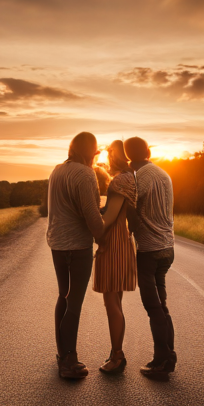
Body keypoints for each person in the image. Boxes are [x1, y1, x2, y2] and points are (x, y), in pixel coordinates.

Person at [47, 132, 104, 379]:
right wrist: (105, 239)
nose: (95, 157)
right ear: (89, 152)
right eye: (96, 152)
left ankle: (62, 354)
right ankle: (69, 360)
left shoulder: (57, 170)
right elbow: (91, 215)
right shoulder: (85, 173)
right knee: (75, 303)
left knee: (64, 295)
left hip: (57, 244)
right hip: (78, 246)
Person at [124, 137, 177, 377]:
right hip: (168, 249)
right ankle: (168, 356)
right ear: (147, 151)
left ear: (128, 156)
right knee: (162, 306)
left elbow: (133, 223)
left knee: (153, 307)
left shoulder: (137, 179)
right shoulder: (164, 174)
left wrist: (123, 205)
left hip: (148, 251)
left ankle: (161, 360)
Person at [93, 140, 137, 374]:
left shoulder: (120, 180)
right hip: (123, 240)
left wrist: (90, 224)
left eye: (109, 153)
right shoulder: (129, 177)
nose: (106, 158)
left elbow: (108, 219)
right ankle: (116, 352)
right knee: (116, 302)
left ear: (114, 156)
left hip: (115, 242)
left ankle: (118, 356)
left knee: (112, 302)